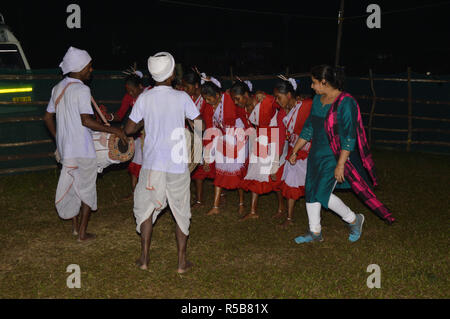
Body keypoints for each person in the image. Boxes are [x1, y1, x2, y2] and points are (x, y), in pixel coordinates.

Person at [289, 64, 395, 244]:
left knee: (322, 193)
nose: (312, 87)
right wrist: (295, 150)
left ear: (324, 82)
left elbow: (349, 137)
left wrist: (341, 164)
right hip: (316, 154)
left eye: (314, 83)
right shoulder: (317, 100)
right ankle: (315, 232)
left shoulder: (346, 102)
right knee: (311, 190)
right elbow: (309, 128)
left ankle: (354, 219)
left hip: (334, 155)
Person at [125, 52, 203, 272]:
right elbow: (199, 123)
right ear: (171, 74)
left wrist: (147, 123)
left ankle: (144, 259)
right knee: (180, 211)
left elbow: (129, 129)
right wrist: (193, 144)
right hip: (177, 164)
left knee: (146, 209)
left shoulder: (145, 98)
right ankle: (181, 262)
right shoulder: (182, 97)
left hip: (152, 164)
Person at [43, 46, 126, 242]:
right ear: (79, 68)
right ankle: (82, 233)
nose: (91, 70)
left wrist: (58, 137)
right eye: (89, 67)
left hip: (66, 150)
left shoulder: (57, 88)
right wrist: (115, 130)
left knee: (73, 186)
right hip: (82, 149)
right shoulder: (81, 89)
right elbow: (86, 121)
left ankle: (74, 228)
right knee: (87, 189)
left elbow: (47, 118)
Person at [230, 81, 287, 221]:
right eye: (234, 100)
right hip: (260, 140)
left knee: (274, 175)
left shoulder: (264, 101)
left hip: (274, 140)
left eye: (238, 98)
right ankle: (253, 211)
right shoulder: (242, 108)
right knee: (256, 172)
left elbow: (279, 102)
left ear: (246, 94)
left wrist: (266, 95)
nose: (236, 102)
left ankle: (281, 207)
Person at [201, 81, 249, 216]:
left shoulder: (229, 98)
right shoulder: (209, 107)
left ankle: (241, 203)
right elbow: (210, 130)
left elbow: (243, 110)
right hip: (222, 137)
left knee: (238, 171)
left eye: (209, 98)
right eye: (205, 99)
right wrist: (207, 155)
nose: (207, 101)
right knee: (219, 170)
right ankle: (215, 206)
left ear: (217, 95)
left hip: (237, 137)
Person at [273, 78, 312, 227]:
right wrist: (276, 160)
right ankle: (289, 218)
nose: (276, 101)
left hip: (309, 151)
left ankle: (314, 215)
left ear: (289, 95)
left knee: (310, 185)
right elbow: (281, 136)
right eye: (275, 97)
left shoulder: (306, 105)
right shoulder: (281, 113)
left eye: (279, 97)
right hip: (293, 152)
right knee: (291, 183)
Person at [107, 71, 151, 199]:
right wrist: (108, 117)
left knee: (148, 164)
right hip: (137, 134)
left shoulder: (150, 94)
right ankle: (135, 192)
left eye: (132, 90)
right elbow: (120, 114)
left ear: (140, 87)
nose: (130, 94)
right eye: (128, 91)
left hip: (150, 135)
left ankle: (148, 192)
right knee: (135, 164)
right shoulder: (129, 97)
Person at [182, 71, 216, 209]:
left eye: (187, 86)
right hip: (193, 134)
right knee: (196, 168)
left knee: (208, 168)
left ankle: (207, 198)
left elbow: (206, 122)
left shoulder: (205, 99)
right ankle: (199, 199)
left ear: (196, 85)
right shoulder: (187, 97)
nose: (185, 89)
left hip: (207, 133)